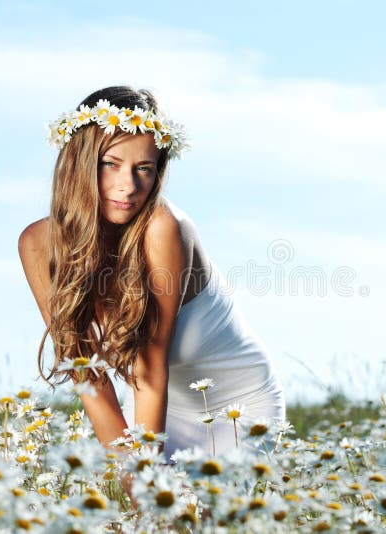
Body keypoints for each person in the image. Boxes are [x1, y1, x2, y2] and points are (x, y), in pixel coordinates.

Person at [17, 86, 285, 463]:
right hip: (160, 411)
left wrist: (145, 482)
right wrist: (133, 479)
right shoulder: (37, 245)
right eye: (110, 163)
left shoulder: (163, 228)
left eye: (144, 168)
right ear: (78, 162)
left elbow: (148, 370)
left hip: (236, 410)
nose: (129, 185)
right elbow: (86, 374)